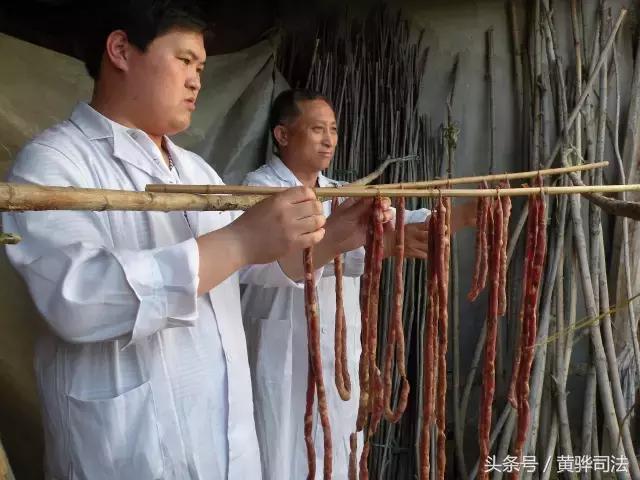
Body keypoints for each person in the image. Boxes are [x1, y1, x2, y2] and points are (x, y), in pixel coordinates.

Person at [2, 5, 391, 479]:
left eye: (201, 68)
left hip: (227, 444)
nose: (196, 81)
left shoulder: (194, 171)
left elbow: (253, 268)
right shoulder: (52, 164)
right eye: (184, 61)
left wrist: (333, 238)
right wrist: (239, 242)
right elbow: (77, 299)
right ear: (121, 50)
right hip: (129, 453)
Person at [241, 89, 476, 479]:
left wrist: (456, 216)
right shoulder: (257, 191)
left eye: (333, 129)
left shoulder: (342, 194)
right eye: (317, 129)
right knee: (283, 451)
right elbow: (273, 261)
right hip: (282, 350)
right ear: (282, 135)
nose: (329, 139)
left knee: (339, 447)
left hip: (339, 358)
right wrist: (378, 245)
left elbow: (390, 227)